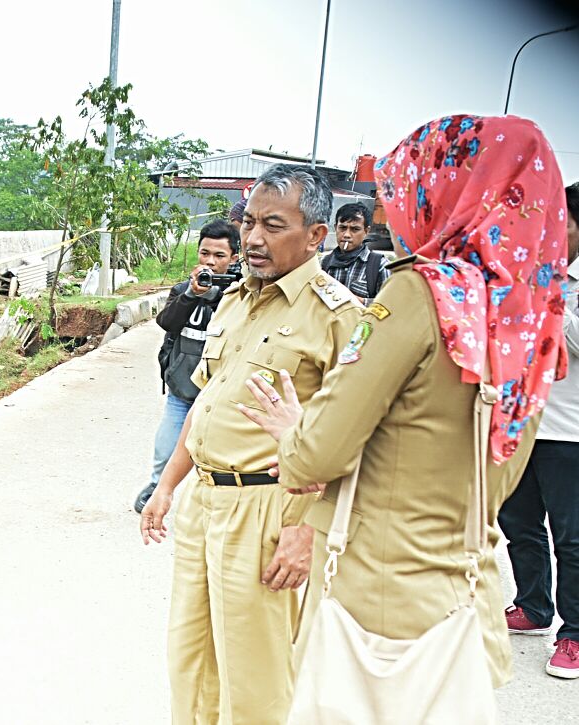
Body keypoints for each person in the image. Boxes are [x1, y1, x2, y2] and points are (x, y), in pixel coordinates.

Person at [240, 114, 568, 693]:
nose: (393, 212)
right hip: (466, 596)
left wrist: (294, 428)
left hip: (380, 608)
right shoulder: (528, 315)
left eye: (405, 191)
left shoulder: (420, 294)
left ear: (449, 191)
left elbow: (317, 454)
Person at [140, 163, 363, 724]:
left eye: (274, 225)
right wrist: (168, 485)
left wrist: (307, 531)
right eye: (249, 223)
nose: (254, 238)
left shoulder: (340, 316)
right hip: (205, 504)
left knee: (256, 675)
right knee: (192, 661)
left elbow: (357, 440)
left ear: (317, 234)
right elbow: (205, 402)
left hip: (269, 511)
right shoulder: (238, 298)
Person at [499, 181, 579, 680]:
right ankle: (533, 605)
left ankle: (573, 635)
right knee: (517, 521)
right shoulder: (535, 269)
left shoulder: (558, 282)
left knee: (572, 539)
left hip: (570, 433)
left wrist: (552, 298)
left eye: (562, 222)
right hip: (524, 422)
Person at [134, 220, 241, 513]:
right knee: (166, 446)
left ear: (234, 257)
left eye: (219, 255)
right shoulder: (184, 288)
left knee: (221, 452)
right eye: (205, 253)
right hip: (183, 387)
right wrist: (192, 295)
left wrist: (216, 298)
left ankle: (216, 503)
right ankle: (157, 488)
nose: (210, 261)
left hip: (221, 393)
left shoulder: (242, 294)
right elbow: (167, 322)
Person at [320, 202, 390, 302]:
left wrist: (356, 301)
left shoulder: (380, 266)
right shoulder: (323, 263)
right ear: (336, 228)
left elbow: (389, 306)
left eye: (355, 229)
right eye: (342, 228)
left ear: (366, 231)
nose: (347, 235)